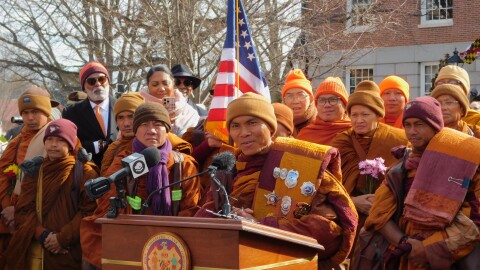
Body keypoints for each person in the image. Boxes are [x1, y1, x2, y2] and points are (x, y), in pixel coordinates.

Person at [197, 93, 358, 268]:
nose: (244, 133)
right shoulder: (227, 170)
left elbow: (329, 232)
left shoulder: (301, 165)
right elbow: (201, 224)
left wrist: (258, 226)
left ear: (271, 128)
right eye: (235, 126)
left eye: (252, 123)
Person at [355, 96, 480, 269]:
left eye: (419, 124)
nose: (412, 131)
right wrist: (407, 244)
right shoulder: (402, 166)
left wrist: (428, 249)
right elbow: (379, 214)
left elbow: (473, 219)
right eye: (408, 125)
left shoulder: (464, 162)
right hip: (405, 254)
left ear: (436, 126)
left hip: (448, 257)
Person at [80, 102, 201, 268]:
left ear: (168, 129)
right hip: (131, 243)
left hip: (172, 247)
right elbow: (106, 207)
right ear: (135, 130)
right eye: (144, 125)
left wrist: (163, 238)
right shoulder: (124, 160)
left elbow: (192, 210)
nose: (151, 130)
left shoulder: (184, 164)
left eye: (158, 125)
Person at [4, 119, 98, 270]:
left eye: (61, 140)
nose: (53, 145)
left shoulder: (85, 172)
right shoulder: (35, 171)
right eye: (49, 139)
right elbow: (23, 209)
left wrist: (62, 239)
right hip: (37, 248)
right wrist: (42, 234)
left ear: (71, 144)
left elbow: (89, 211)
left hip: (69, 250)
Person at [331, 80, 408, 254]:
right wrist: (352, 201)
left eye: (365, 115)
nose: (358, 120)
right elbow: (329, 183)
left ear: (378, 114)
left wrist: (382, 202)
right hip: (350, 214)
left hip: (388, 218)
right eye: (354, 115)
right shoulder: (341, 142)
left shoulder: (398, 140)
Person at [0, 87, 56, 259]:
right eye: (25, 113)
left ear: (46, 111)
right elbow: (3, 177)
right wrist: (8, 207)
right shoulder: (16, 142)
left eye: (35, 112)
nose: (30, 118)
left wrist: (19, 210)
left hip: (47, 216)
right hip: (13, 217)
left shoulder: (61, 139)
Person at [63, 61, 118, 167]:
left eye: (102, 79)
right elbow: (70, 145)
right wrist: (97, 146)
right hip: (88, 173)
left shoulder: (122, 106)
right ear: (84, 87)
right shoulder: (71, 113)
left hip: (120, 171)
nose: (98, 84)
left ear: (108, 82)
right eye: (91, 81)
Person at [140, 64, 200, 137]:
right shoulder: (138, 106)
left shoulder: (190, 113)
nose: (161, 88)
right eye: (155, 84)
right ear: (148, 86)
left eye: (166, 83)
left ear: (173, 84)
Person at [297, 77, 351, 145]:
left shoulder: (355, 132)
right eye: (322, 100)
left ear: (345, 104)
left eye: (333, 100)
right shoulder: (305, 135)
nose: (327, 105)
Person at [282, 69, 316, 136]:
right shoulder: (280, 125)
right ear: (284, 100)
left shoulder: (321, 122)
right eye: (290, 96)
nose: (295, 101)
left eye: (301, 95)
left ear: (311, 98)